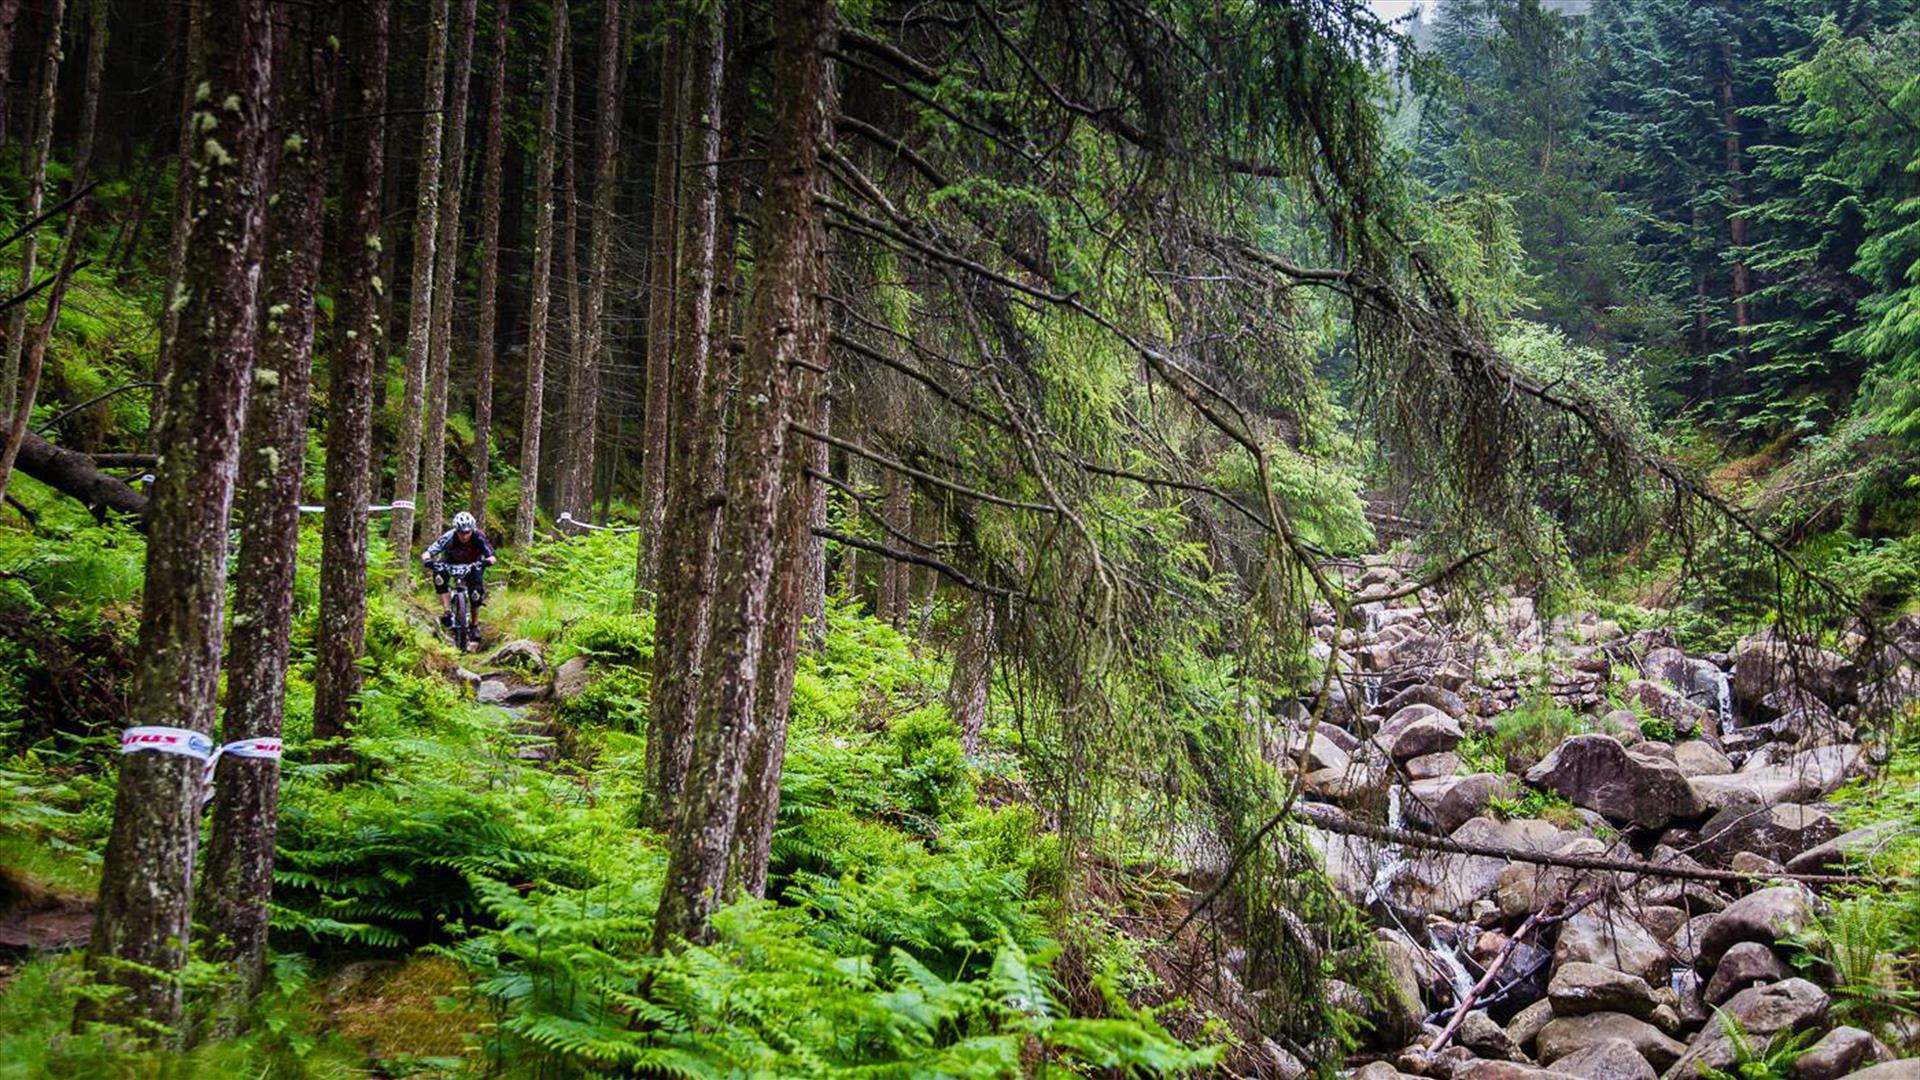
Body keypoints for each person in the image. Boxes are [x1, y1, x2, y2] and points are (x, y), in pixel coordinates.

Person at [421, 510, 497, 631]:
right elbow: (428, 552)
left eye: (467, 532)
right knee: (439, 576)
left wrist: (486, 562)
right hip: (450, 563)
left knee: (475, 593)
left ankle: (475, 625)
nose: (464, 536)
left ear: (472, 530)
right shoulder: (449, 536)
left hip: (472, 565)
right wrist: (428, 561)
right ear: (456, 530)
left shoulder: (478, 536)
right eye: (461, 532)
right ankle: (447, 611)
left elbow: (492, 556)